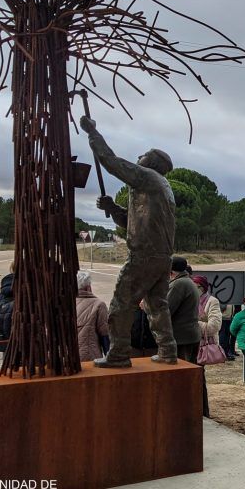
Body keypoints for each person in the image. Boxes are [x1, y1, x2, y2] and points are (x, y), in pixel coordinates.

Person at [80, 115, 177, 367]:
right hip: (161, 256)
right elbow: (137, 223)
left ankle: (119, 353)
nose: (139, 157)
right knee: (157, 306)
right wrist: (114, 209)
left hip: (143, 255)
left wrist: (93, 133)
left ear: (152, 162)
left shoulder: (147, 176)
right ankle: (168, 350)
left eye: (144, 154)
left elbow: (111, 162)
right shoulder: (162, 187)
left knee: (122, 303)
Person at [194, 274, 221, 418]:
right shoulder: (190, 300)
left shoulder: (212, 301)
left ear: (202, 288)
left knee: (199, 379)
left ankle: (204, 412)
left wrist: (192, 323)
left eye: (196, 287)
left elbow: (214, 326)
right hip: (190, 344)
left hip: (202, 345)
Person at [167, 256, 200, 364]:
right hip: (190, 336)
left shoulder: (178, 284)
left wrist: (147, 307)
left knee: (180, 373)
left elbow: (166, 310)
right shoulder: (188, 281)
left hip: (181, 338)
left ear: (171, 272)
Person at [75, 270, 109, 362]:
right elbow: (104, 334)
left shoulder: (64, 304)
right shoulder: (99, 304)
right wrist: (108, 357)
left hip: (69, 357)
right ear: (88, 287)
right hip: (90, 356)